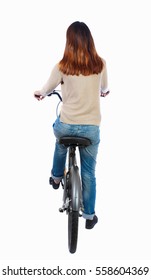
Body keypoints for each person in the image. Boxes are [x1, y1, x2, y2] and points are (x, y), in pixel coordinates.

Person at [34, 21, 109, 229]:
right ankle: (89, 216)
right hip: (91, 129)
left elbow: (46, 89)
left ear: (69, 41)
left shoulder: (62, 66)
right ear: (90, 40)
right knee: (88, 173)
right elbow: (105, 87)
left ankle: (56, 178)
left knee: (59, 140)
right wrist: (103, 91)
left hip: (67, 125)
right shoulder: (100, 63)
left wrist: (40, 93)